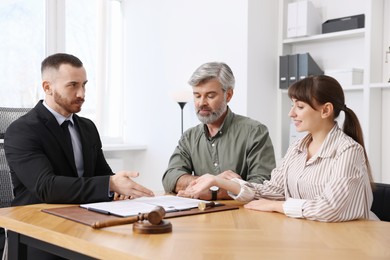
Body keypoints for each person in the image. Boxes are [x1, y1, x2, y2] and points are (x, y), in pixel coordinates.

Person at [3, 53, 154, 259]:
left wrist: (119, 189)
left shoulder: (87, 127)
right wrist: (109, 185)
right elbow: (46, 186)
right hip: (38, 229)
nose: (81, 93)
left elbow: (102, 174)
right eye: (72, 85)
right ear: (47, 87)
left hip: (86, 221)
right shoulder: (22, 130)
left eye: (84, 85)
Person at [179, 75, 377, 222]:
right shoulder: (297, 148)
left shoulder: (348, 151)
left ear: (325, 110)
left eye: (299, 107)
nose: (291, 113)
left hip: (350, 238)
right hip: (307, 232)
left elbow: (330, 208)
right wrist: (220, 181)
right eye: (292, 106)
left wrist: (276, 206)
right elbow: (272, 190)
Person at [162, 62, 276, 200]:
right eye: (197, 95)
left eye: (210, 96)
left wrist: (212, 191)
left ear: (228, 95)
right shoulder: (189, 137)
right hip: (200, 216)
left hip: (242, 216)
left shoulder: (255, 132)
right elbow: (170, 178)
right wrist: (212, 181)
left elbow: (262, 186)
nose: (201, 103)